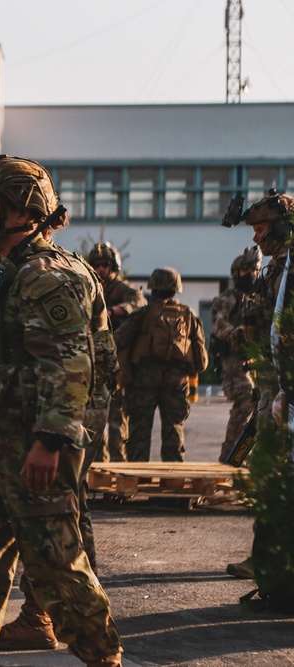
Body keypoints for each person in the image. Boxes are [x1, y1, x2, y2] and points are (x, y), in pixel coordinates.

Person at [0, 155, 122, 667]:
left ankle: (105, 659)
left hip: (34, 447)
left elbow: (70, 365)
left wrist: (49, 442)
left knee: (59, 567)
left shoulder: (47, 276)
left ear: (26, 212)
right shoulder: (7, 272)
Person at [223, 191, 294, 579]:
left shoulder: (288, 267)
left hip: (284, 384)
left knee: (273, 469)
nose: (255, 239)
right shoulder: (277, 267)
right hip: (273, 380)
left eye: (261, 229)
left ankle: (270, 561)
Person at [115, 268, 208, 462]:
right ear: (176, 290)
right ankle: (171, 483)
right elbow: (200, 354)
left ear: (153, 289)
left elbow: (120, 339)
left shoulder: (143, 313)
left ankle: (137, 480)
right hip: (176, 380)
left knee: (140, 429)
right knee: (174, 428)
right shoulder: (188, 314)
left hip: (143, 379)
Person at [87, 242, 146, 462]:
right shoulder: (89, 286)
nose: (101, 269)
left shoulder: (120, 288)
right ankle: (96, 471)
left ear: (114, 266)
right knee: (93, 423)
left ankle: (117, 470)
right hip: (91, 361)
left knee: (116, 422)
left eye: (105, 264)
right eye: (96, 265)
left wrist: (110, 311)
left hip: (116, 363)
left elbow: (138, 301)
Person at [211, 246, 260, 462]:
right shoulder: (228, 298)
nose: (250, 274)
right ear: (236, 272)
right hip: (234, 361)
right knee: (246, 401)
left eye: (255, 269)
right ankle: (229, 458)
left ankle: (244, 459)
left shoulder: (260, 297)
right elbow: (218, 324)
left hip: (258, 361)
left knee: (262, 409)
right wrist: (237, 334)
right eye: (245, 269)